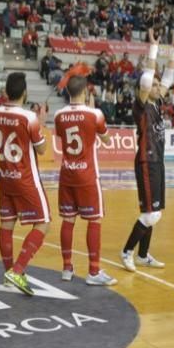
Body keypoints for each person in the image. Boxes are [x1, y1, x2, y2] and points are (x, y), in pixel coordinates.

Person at [120, 33, 174, 272]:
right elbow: (146, 79)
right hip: (146, 161)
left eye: (158, 85)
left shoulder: (157, 102)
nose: (157, 86)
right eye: (154, 85)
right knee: (151, 215)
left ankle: (143, 255)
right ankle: (127, 252)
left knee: (153, 212)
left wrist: (173, 52)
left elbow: (168, 77)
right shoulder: (141, 105)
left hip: (158, 163)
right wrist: (153, 47)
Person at [54, 75, 117, 285]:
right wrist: (91, 110)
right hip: (87, 175)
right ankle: (93, 271)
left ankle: (66, 267)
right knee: (94, 220)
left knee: (68, 220)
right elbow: (107, 140)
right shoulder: (95, 114)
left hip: (67, 174)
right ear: (85, 92)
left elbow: (63, 137)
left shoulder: (59, 115)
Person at [0, 72, 51, 295]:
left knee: (7, 224)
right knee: (43, 222)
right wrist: (42, 122)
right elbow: (42, 149)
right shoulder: (29, 118)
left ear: (6, 91)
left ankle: (9, 272)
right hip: (26, 179)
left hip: (5, 177)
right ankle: (17, 270)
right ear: (25, 93)